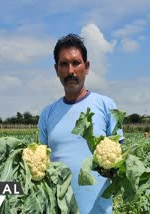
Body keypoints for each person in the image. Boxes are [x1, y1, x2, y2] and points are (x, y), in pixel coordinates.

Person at [38, 33, 123, 214]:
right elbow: (41, 164)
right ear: (56, 69)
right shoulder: (47, 114)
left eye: (76, 63)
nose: (71, 71)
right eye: (64, 64)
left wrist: (115, 170)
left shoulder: (106, 106)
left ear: (87, 67)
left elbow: (121, 160)